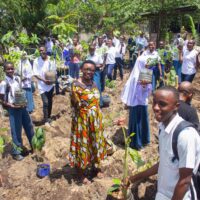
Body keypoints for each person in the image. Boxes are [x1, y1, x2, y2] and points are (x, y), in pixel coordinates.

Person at [126, 86, 200, 200]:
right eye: (154, 102)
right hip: (163, 193)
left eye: (162, 104)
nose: (155, 107)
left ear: (176, 106)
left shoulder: (185, 135)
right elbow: (164, 163)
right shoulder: (162, 128)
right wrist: (133, 178)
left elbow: (185, 181)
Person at [69, 60, 107, 184]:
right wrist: (78, 102)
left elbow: (96, 103)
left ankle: (95, 168)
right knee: (82, 145)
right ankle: (81, 173)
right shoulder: (76, 85)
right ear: (81, 70)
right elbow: (74, 104)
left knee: (95, 143)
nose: (89, 72)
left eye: (91, 70)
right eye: (86, 69)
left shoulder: (94, 84)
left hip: (95, 121)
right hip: (82, 122)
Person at [0, 62, 34, 161]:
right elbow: (1, 99)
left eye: (12, 69)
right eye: (8, 69)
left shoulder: (17, 79)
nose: (10, 71)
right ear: (4, 70)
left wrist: (24, 101)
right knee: (16, 130)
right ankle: (16, 152)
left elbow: (20, 92)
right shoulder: (3, 83)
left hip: (22, 107)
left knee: (29, 126)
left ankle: (34, 145)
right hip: (13, 109)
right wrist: (10, 105)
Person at [121, 54, 152, 150]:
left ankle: (144, 140)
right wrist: (142, 86)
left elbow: (149, 90)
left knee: (143, 121)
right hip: (136, 103)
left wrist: (146, 86)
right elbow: (137, 94)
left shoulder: (146, 73)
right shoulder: (135, 76)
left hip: (143, 102)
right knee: (137, 122)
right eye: (145, 64)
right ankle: (136, 143)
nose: (147, 65)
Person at [33, 46, 56, 124]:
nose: (41, 52)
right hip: (42, 85)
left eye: (42, 50)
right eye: (40, 51)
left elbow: (54, 72)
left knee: (50, 102)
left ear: (46, 51)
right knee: (45, 102)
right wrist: (43, 80)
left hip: (50, 85)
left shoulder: (51, 59)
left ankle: (48, 117)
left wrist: (52, 80)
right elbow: (35, 74)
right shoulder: (36, 61)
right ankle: (46, 119)